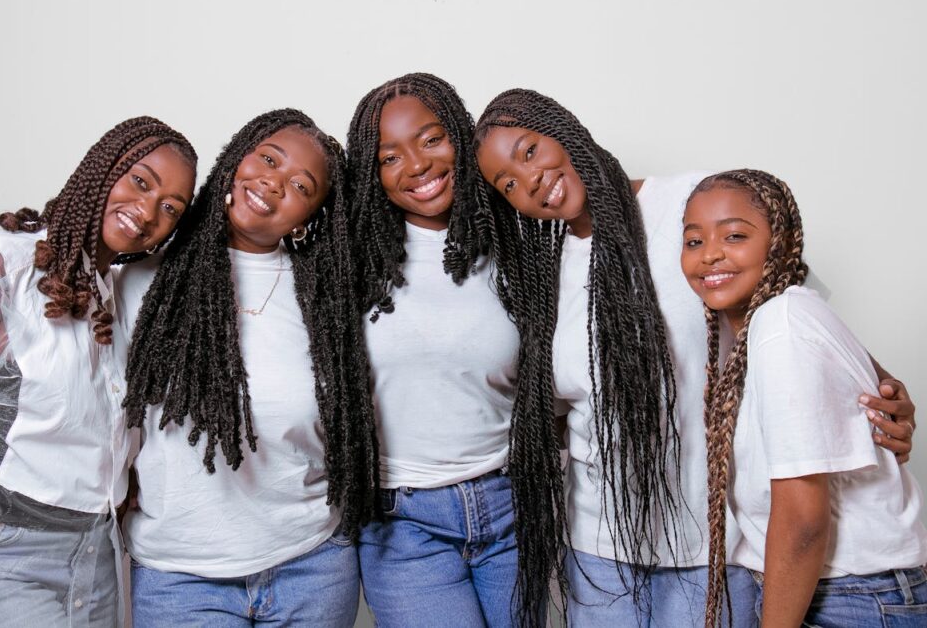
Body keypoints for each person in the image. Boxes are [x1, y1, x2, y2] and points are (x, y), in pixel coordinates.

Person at [472, 89, 917, 626]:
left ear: (564, 129)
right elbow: (554, 405)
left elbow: (793, 312)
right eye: (509, 185)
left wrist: (885, 393)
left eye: (529, 151)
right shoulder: (539, 274)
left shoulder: (695, 207)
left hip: (717, 545)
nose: (530, 181)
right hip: (598, 549)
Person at [0, 116, 197, 627]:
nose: (148, 211)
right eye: (140, 181)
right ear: (103, 169)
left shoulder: (118, 290)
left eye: (171, 207)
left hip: (95, 559)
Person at [119, 109, 377, 627]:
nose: (273, 183)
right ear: (238, 158)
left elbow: (351, 424)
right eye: (267, 159)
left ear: (307, 218)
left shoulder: (325, 300)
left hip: (312, 567)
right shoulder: (142, 282)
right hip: (180, 578)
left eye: (300, 185)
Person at [346, 73, 557, 627]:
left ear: (462, 139)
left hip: (514, 501)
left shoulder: (520, 238)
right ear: (371, 175)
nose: (416, 165)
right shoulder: (348, 259)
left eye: (432, 139)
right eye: (389, 156)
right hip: (403, 522)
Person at [682, 169, 927, 627]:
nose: (710, 254)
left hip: (850, 597)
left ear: (781, 242)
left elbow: (801, 518)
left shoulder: (783, 325)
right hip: (840, 590)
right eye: (693, 241)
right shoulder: (776, 320)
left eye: (734, 235)